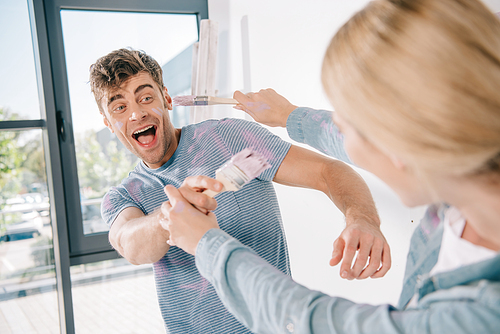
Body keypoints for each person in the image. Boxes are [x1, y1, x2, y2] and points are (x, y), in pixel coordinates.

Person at [161, 0, 500, 332]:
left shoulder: (477, 316)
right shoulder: (461, 181)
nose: (342, 136)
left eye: (346, 121)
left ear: (400, 144)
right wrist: (288, 115)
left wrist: (208, 245)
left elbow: (314, 321)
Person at [89, 48, 391, 333]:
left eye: (145, 97)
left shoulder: (231, 139)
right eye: (119, 107)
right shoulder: (125, 196)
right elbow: (130, 244)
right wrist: (171, 213)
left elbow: (329, 172)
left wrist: (363, 218)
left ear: (166, 98)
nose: (135, 114)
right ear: (108, 122)